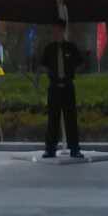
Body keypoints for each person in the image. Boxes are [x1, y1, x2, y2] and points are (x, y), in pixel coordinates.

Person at [40, 23, 85, 159]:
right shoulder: (49, 48)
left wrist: (72, 71)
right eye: (54, 31)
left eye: (58, 30)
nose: (56, 33)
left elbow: (80, 63)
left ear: (63, 31)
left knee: (70, 118)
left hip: (68, 86)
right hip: (54, 87)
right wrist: (49, 73)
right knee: (53, 118)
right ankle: (50, 149)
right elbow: (43, 65)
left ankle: (74, 149)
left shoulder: (71, 47)